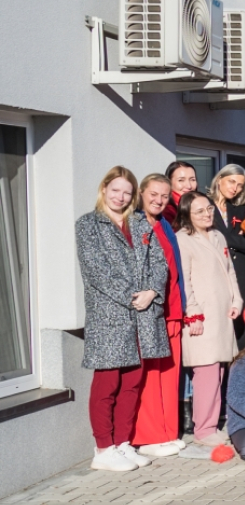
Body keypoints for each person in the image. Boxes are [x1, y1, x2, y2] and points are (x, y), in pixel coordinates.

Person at [77, 166, 170, 472]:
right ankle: (103, 449)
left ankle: (122, 443)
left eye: (127, 192)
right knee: (107, 384)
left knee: (132, 382)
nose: (120, 196)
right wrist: (135, 296)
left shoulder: (140, 222)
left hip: (143, 315)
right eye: (115, 189)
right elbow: (97, 271)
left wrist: (153, 291)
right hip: (111, 316)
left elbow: (160, 263)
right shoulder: (88, 225)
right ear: (104, 189)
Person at [175, 191, 243, 449]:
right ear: (187, 215)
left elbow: (230, 272)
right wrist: (192, 313)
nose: (206, 214)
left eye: (209, 209)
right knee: (205, 371)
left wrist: (237, 300)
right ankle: (203, 429)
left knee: (219, 370)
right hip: (202, 315)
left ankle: (212, 425)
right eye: (199, 211)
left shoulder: (217, 235)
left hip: (222, 313)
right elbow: (185, 280)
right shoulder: (183, 240)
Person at [131, 175, 186, 458]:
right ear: (141, 193)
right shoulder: (135, 222)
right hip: (152, 311)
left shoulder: (164, 223)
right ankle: (149, 436)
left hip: (172, 308)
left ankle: (167, 432)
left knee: (169, 374)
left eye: (165, 196)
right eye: (153, 194)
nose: (159, 200)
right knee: (150, 376)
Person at [206, 164, 245, 317]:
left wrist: (220, 235)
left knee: (242, 321)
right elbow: (206, 238)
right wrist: (236, 239)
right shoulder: (204, 204)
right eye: (232, 182)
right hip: (215, 269)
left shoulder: (239, 209)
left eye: (240, 185)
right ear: (220, 179)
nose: (235, 188)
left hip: (240, 271)